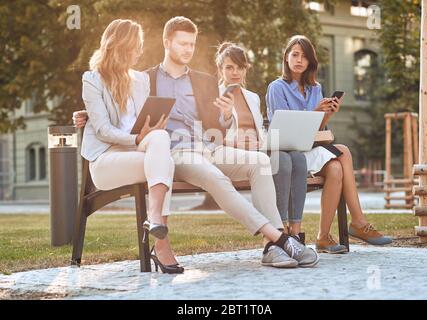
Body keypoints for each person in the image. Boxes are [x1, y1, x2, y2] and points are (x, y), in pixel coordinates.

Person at [75, 17, 319, 269]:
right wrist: (85, 115)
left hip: (209, 146)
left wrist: (225, 115)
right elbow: (118, 102)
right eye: (182, 44)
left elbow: (218, 126)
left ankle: (271, 247)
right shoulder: (146, 79)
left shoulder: (204, 81)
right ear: (166, 42)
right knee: (216, 178)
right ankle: (281, 240)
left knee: (261, 161)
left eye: (192, 44)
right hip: (177, 152)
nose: (188, 50)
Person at [266, 35, 392, 253]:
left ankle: (324, 237)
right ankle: (358, 223)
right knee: (343, 152)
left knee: (336, 167)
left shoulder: (315, 88)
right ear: (286, 58)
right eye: (295, 54)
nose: (299, 60)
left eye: (304, 56)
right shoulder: (277, 87)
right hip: (288, 153)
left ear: (310, 62)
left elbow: (317, 131)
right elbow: (284, 130)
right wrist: (315, 112)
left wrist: (326, 115)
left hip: (309, 147)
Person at [80, 19, 184, 274]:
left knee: (160, 139)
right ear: (122, 47)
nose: (139, 52)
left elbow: (142, 124)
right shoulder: (92, 80)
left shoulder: (140, 80)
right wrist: (137, 139)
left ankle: (155, 219)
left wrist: (154, 125)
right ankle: (162, 243)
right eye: (136, 46)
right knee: (165, 163)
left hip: (138, 152)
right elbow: (103, 130)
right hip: (106, 161)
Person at [215, 42, 309, 247]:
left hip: (258, 148)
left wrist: (268, 141)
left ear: (246, 68)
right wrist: (237, 143)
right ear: (220, 69)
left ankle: (296, 230)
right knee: (282, 161)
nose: (235, 72)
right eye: (229, 67)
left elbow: (260, 130)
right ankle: (280, 229)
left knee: (298, 159)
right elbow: (211, 135)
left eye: (240, 67)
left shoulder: (252, 97)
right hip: (232, 153)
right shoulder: (214, 95)